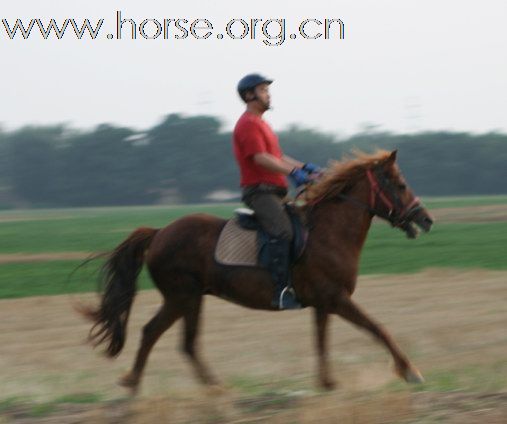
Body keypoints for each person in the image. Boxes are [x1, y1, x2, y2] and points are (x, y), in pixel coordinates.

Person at [232, 73, 321, 309]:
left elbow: (277, 157)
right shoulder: (248, 123)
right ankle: (280, 291)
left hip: (275, 191)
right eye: (263, 90)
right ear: (249, 95)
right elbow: (260, 158)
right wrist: (293, 174)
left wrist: (305, 168)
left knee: (302, 226)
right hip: (259, 192)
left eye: (267, 90)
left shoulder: (262, 124)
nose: (268, 94)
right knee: (282, 231)